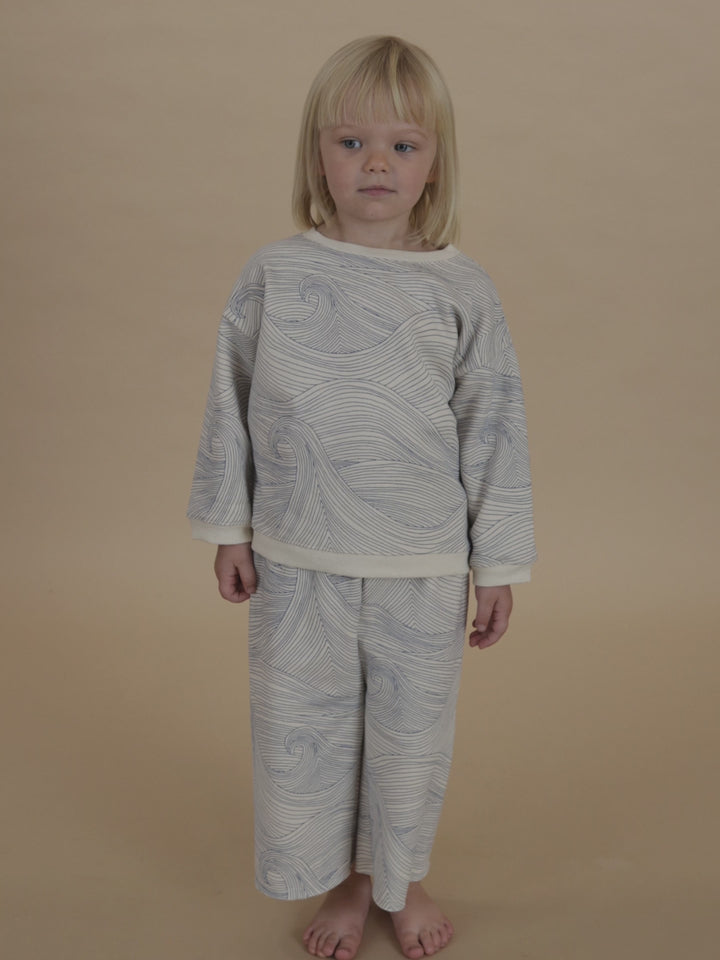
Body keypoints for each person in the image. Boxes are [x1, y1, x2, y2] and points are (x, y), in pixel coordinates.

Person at [188, 35, 536, 960]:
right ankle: (344, 885)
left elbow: (493, 427)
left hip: (421, 562)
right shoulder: (276, 276)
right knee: (305, 733)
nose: (376, 163)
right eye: (350, 143)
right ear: (317, 158)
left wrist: (498, 560)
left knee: (409, 737)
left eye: (403, 145)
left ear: (434, 165)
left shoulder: (461, 290)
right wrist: (230, 526)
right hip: (298, 558)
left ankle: (402, 877)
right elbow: (231, 400)